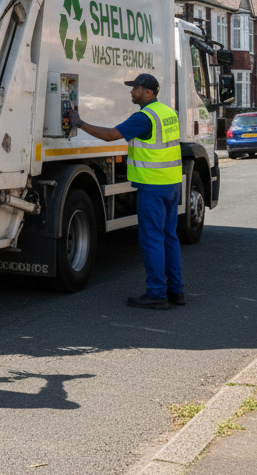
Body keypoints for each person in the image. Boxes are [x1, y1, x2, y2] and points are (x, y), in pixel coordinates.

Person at [68, 73, 184, 310]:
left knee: (152, 240)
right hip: (171, 184)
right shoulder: (168, 113)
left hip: (152, 186)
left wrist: (79, 123)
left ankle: (156, 294)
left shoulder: (144, 118)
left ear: (149, 92)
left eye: (136, 88)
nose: (132, 92)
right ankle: (176, 291)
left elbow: (111, 135)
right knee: (169, 238)